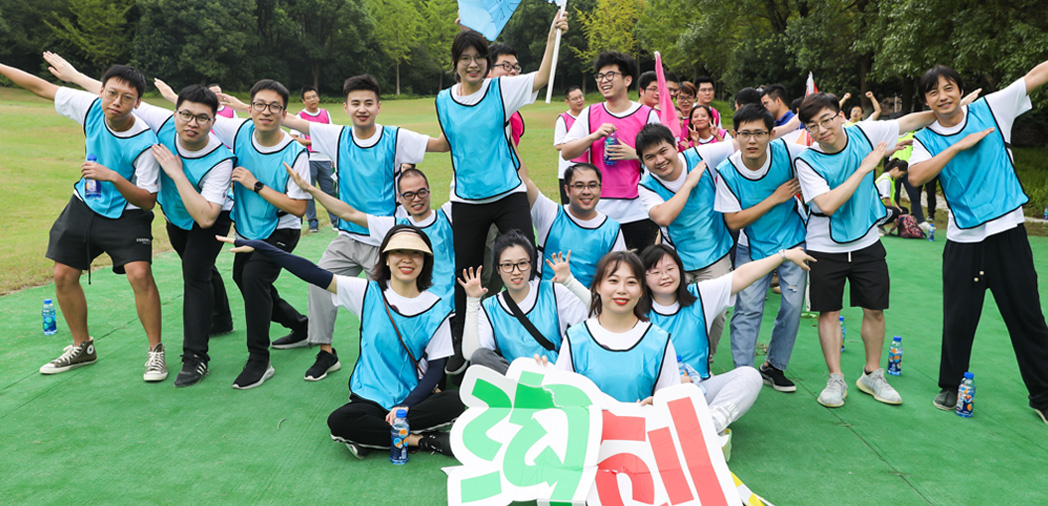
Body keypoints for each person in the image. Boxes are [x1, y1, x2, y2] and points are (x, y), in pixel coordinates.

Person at [42, 53, 241, 387]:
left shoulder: (220, 159)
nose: (192, 123)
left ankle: (194, 358)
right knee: (198, 267)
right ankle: (220, 318)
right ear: (175, 112)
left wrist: (176, 172)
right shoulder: (161, 121)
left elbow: (206, 217)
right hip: (176, 216)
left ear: (213, 120)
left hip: (210, 215)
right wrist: (74, 75)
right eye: (186, 114)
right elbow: (117, 96)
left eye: (202, 118)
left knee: (195, 273)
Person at [218, 226, 460, 457]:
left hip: (414, 399)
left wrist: (405, 406)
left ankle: (372, 437)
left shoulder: (437, 308)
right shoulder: (366, 291)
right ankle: (422, 440)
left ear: (425, 260)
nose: (407, 259)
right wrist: (262, 247)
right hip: (370, 397)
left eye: (416, 253)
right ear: (386, 258)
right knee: (341, 421)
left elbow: (436, 370)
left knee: (455, 400)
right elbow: (312, 272)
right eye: (399, 251)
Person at [257, 76, 439, 382]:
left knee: (388, 303)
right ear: (345, 107)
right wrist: (244, 106)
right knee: (318, 282)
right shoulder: (337, 136)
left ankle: (407, 357)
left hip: (384, 240)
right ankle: (326, 352)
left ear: (379, 106)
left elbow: (440, 145)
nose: (362, 109)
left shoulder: (396, 138)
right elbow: (287, 119)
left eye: (368, 103)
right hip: (347, 237)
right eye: (356, 103)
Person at [0, 58, 166, 381]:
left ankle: (155, 352)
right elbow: (41, 87)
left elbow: (147, 200)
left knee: (140, 274)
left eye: (127, 98)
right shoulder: (90, 108)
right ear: (101, 91)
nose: (116, 102)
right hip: (85, 202)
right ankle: (82, 347)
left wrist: (113, 176)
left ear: (138, 103)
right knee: (62, 274)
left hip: (128, 213)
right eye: (112, 93)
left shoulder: (145, 142)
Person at [908, 61, 1048, 424]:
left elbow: (1035, 75)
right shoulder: (926, 138)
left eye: (948, 88)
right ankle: (950, 385)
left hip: (1008, 234)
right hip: (963, 241)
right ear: (926, 101)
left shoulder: (992, 107)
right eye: (933, 92)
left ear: (960, 89)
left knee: (1027, 315)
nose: (943, 96)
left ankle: (1043, 395)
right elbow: (916, 175)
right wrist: (957, 147)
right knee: (959, 318)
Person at [432, 12, 568, 375]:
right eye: (465, 58)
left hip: (509, 194)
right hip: (467, 201)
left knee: (527, 260)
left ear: (487, 62)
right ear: (455, 65)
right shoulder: (443, 100)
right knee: (467, 273)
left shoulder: (500, 90)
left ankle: (537, 328)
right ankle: (463, 342)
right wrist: (402, 146)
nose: (473, 64)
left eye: (479, 58)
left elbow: (541, 77)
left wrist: (552, 35)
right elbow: (447, 142)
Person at [794, 91, 940, 408]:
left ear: (841, 117)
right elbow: (827, 204)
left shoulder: (864, 132)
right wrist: (865, 167)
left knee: (874, 309)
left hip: (867, 241)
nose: (822, 130)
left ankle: (872, 374)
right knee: (829, 312)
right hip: (825, 246)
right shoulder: (806, 160)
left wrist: (950, 109)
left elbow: (909, 121)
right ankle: (836, 379)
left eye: (827, 120)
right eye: (813, 126)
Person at [640, 244, 814, 434]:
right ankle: (690, 427)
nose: (665, 276)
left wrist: (783, 255)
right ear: (643, 278)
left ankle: (707, 427)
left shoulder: (700, 296)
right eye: (655, 272)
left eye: (670, 269)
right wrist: (671, 385)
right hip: (654, 395)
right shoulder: (635, 311)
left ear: (680, 270)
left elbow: (740, 276)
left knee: (749, 376)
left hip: (699, 388)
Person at [208, 78, 312, 389]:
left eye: (274, 106)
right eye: (260, 105)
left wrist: (255, 184)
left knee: (254, 278)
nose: (266, 111)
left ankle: (259, 359)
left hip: (282, 229)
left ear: (284, 113)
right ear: (250, 108)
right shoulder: (238, 131)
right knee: (244, 279)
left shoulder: (296, 153)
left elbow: (298, 208)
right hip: (247, 228)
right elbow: (194, 113)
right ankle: (301, 326)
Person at [713, 104, 809, 392]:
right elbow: (733, 221)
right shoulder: (727, 171)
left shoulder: (789, 152)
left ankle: (774, 366)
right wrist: (775, 198)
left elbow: (823, 158)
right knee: (748, 310)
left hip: (793, 239)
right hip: (751, 246)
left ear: (771, 134)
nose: (752, 140)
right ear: (735, 135)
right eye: (745, 134)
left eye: (759, 133)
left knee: (793, 306)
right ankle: (743, 373)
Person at [635, 123, 736, 357]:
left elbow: (745, 142)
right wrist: (690, 183)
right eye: (650, 157)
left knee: (716, 313)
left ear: (675, 146)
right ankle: (670, 361)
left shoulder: (701, 155)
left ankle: (705, 361)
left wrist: (792, 125)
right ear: (642, 161)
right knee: (670, 312)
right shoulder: (647, 186)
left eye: (663, 151)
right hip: (676, 260)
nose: (659, 160)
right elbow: (664, 217)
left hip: (715, 253)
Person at [559, 51, 662, 251]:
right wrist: (593, 136)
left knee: (639, 267)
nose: (603, 80)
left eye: (610, 75)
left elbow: (664, 159)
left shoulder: (647, 115)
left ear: (627, 80)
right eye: (599, 76)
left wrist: (635, 154)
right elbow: (566, 152)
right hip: (598, 210)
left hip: (638, 210)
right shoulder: (590, 113)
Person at [460, 230, 588, 374]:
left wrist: (570, 282)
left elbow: (596, 316)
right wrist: (472, 301)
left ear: (532, 265)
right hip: (515, 382)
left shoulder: (552, 291)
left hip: (554, 377)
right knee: (480, 356)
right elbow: (472, 355)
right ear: (498, 269)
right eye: (507, 265)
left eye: (522, 263)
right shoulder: (490, 308)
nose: (516, 271)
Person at [526, 163, 626, 288]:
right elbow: (525, 180)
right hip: (546, 297)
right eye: (579, 186)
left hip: (587, 299)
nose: (586, 191)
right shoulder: (551, 214)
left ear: (600, 188)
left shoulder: (611, 230)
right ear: (567, 190)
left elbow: (618, 275)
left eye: (592, 185)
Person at [288, 85, 337, 233]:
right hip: (308, 159)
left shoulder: (325, 114)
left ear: (318, 97)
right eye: (308, 98)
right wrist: (313, 141)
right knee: (308, 192)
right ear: (303, 101)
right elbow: (293, 138)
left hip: (325, 158)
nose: (312, 100)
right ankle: (312, 222)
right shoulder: (300, 116)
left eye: (314, 96)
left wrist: (333, 156)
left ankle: (336, 221)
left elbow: (331, 134)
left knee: (329, 191)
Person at [554, 85, 588, 204]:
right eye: (574, 99)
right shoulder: (563, 119)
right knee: (569, 206)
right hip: (568, 170)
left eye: (580, 97)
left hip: (587, 169)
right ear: (567, 102)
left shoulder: (588, 115)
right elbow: (558, 145)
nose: (579, 100)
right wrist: (579, 145)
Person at [875, 158, 907, 230]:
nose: (901, 176)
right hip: (877, 207)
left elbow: (891, 199)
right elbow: (886, 200)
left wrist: (899, 209)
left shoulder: (891, 179)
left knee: (903, 210)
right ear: (896, 169)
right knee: (895, 211)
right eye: (902, 174)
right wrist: (893, 215)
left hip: (881, 206)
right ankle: (876, 225)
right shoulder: (885, 180)